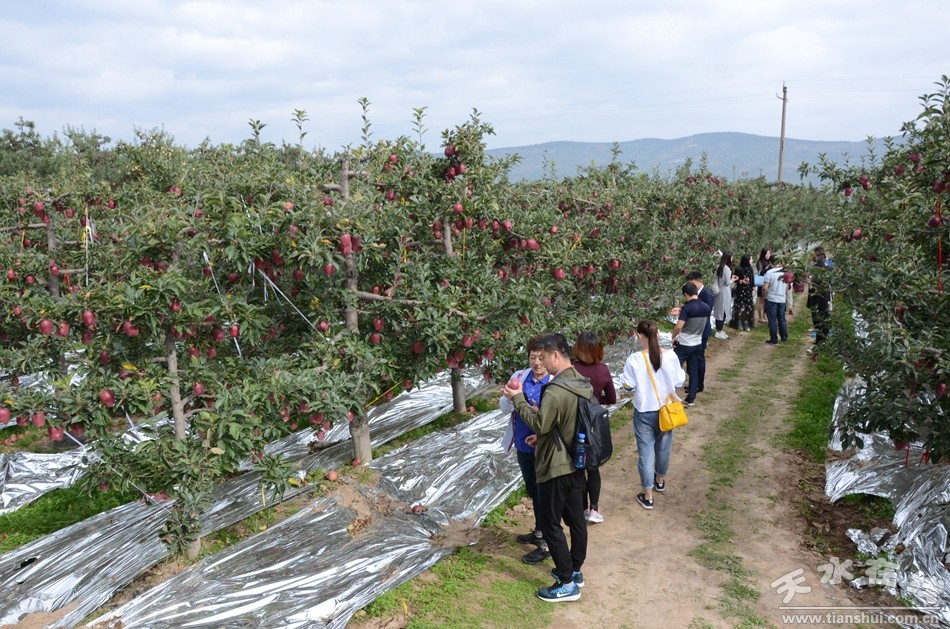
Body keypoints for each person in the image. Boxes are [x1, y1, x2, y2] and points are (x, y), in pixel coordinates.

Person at [503, 333, 592, 603]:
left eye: (544, 357)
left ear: (555, 355)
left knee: (551, 524)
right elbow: (564, 422)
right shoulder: (580, 382)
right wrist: (543, 436)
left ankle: (566, 583)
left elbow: (541, 423)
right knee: (576, 520)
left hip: (556, 466)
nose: (540, 363)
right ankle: (575, 570)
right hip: (576, 461)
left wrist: (518, 399)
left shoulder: (555, 389)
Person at [620, 320, 686, 510]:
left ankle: (648, 495)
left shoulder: (635, 359)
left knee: (646, 453)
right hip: (667, 410)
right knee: (664, 448)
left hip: (644, 410)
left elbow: (628, 386)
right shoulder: (671, 356)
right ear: (657, 335)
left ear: (639, 336)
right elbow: (679, 381)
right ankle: (660, 480)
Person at [499, 335, 551, 564]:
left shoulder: (554, 382)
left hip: (545, 448)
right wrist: (508, 398)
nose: (536, 362)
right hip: (523, 443)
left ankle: (547, 542)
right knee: (532, 488)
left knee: (545, 493)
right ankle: (539, 530)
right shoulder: (519, 377)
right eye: (533, 357)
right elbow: (504, 409)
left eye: (541, 358)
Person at [571, 331, 617, 525]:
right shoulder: (602, 370)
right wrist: (597, 401)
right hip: (594, 426)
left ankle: (582, 508)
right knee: (593, 467)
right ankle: (594, 509)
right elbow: (612, 398)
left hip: (574, 424)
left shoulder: (572, 369)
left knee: (578, 467)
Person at [672, 282, 710, 405]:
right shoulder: (706, 307)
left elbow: (679, 326)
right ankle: (691, 398)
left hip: (684, 343)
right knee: (693, 370)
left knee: (674, 368)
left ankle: (670, 394)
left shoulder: (687, 308)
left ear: (686, 294)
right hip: (697, 342)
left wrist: (673, 337)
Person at [686, 270, 714, 393]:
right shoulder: (691, 293)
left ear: (699, 281)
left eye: (692, 283)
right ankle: (693, 383)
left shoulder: (707, 294)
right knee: (691, 358)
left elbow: (706, 311)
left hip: (702, 330)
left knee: (698, 358)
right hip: (692, 330)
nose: (690, 286)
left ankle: (699, 384)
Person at [806, 247, 831, 347]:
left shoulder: (815, 270)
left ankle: (819, 341)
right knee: (825, 318)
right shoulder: (829, 269)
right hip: (826, 298)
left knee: (818, 320)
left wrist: (808, 281)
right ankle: (823, 340)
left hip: (817, 299)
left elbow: (812, 287)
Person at [761, 255, 789, 345]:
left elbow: (765, 287)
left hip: (772, 299)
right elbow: (787, 286)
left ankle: (774, 339)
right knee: (782, 318)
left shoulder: (770, 272)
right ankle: (784, 337)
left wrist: (764, 295)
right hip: (782, 299)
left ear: (770, 263)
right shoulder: (785, 272)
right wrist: (785, 296)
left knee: (772, 320)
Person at [712, 251, 737, 340]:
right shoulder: (726, 269)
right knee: (723, 311)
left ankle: (720, 330)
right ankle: (719, 331)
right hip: (724, 291)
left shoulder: (719, 267)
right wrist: (733, 279)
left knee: (720, 310)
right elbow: (727, 283)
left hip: (720, 290)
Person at [733, 254, 756, 331]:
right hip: (741, 289)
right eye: (751, 259)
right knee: (740, 306)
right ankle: (739, 322)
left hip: (748, 290)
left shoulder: (750, 268)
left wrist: (753, 288)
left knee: (748, 306)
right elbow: (734, 279)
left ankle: (746, 323)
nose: (752, 261)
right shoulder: (738, 269)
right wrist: (741, 281)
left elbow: (752, 279)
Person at [756, 248, 771, 323]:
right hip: (761, 283)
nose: (768, 255)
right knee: (761, 300)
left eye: (769, 253)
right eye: (766, 253)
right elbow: (760, 271)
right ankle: (760, 317)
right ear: (763, 254)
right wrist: (767, 268)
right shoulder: (760, 261)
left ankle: (764, 316)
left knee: (765, 300)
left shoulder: (768, 261)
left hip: (767, 283)